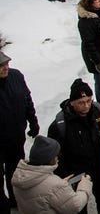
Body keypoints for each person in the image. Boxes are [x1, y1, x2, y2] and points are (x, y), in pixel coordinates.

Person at [47, 79, 100, 214]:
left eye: (89, 101)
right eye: (81, 103)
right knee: (79, 207)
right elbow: (55, 156)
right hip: (77, 173)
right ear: (72, 102)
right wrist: (64, 176)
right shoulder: (59, 125)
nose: (86, 106)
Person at [0, 51, 40, 214]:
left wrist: (33, 121)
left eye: (6, 63)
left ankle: (15, 202)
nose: (6, 67)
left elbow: (27, 99)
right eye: (1, 66)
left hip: (16, 138)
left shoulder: (16, 76)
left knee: (15, 173)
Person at [11, 136, 92, 214]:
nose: (57, 158)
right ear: (49, 159)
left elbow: (41, 192)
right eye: (56, 156)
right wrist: (84, 184)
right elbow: (75, 206)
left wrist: (61, 184)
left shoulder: (19, 176)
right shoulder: (54, 185)